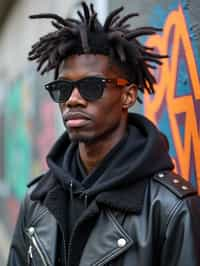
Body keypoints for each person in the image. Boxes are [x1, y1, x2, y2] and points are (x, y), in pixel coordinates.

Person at [7, 2, 200, 266]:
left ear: (128, 95)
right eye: (63, 88)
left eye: (91, 86)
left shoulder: (170, 208)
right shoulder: (37, 199)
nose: (73, 100)